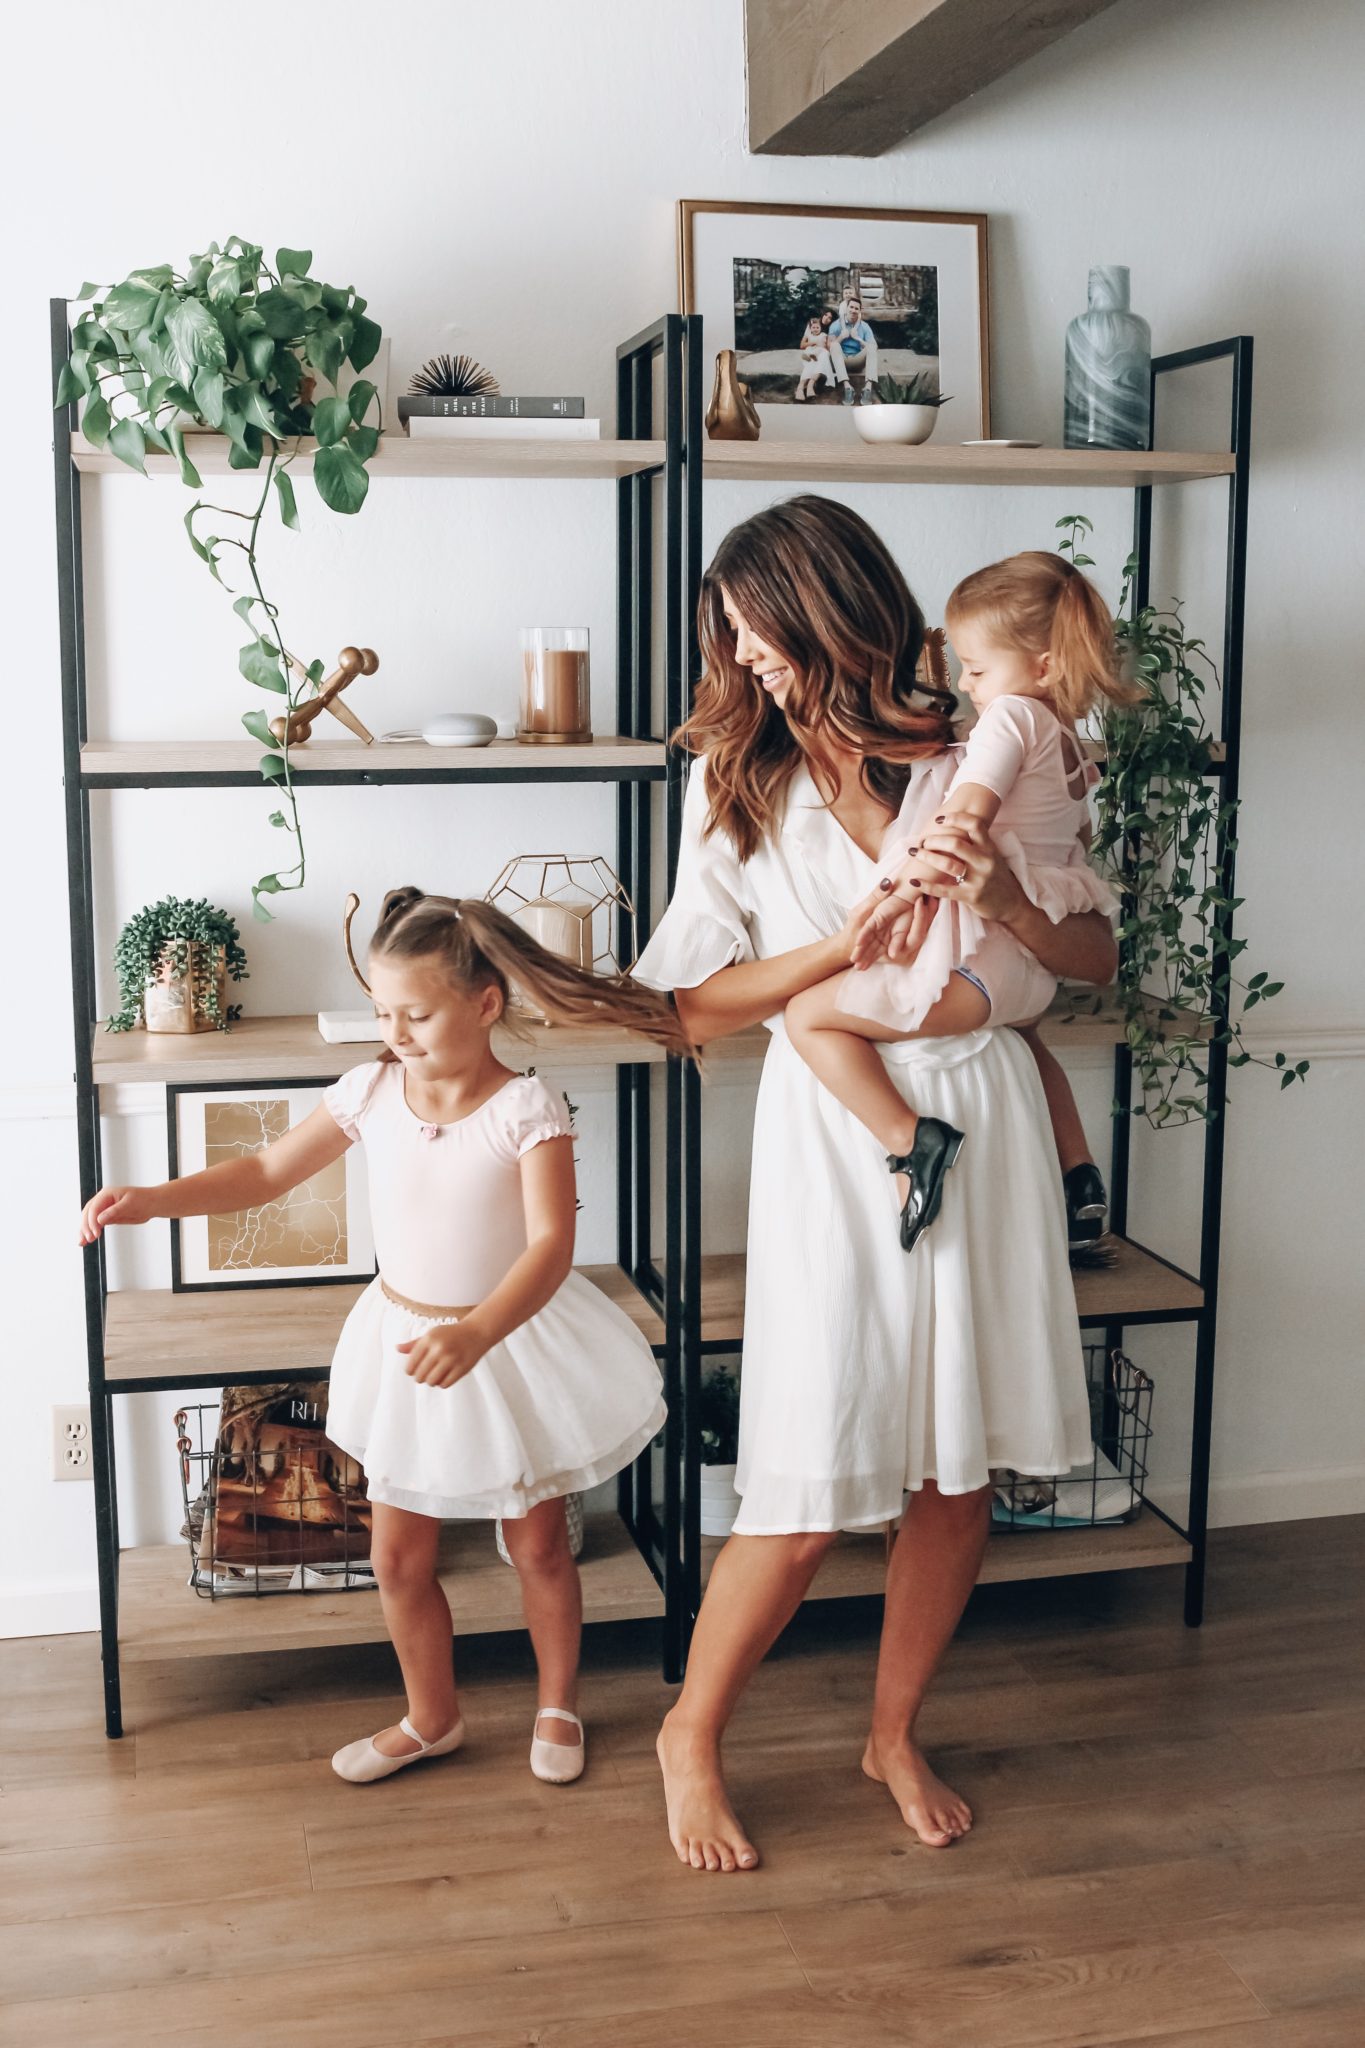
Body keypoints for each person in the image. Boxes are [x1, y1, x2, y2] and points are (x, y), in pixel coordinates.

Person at [633, 496, 1115, 1872]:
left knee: (954, 1475)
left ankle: (892, 1730)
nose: (748, 658)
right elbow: (690, 1009)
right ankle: (691, 1733)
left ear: (830, 603)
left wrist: (1010, 915)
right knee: (800, 1481)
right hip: (836, 1141)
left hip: (986, 1115)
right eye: (729, 637)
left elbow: (1088, 963)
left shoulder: (980, 732)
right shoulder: (739, 781)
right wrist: (831, 961)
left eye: (758, 628)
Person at [79, 890, 689, 1789]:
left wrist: (480, 1330)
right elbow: (264, 1171)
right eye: (381, 1011)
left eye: (415, 1013)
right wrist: (152, 1199)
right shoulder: (369, 1089)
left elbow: (553, 1247)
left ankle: (558, 1701)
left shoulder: (527, 1107)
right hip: (404, 1343)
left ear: (484, 1004)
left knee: (537, 1547)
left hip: (504, 1341)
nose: (394, 1030)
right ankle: (431, 1717)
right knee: (397, 1556)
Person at [785, 549, 1134, 1254]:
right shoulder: (1070, 745)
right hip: (1029, 981)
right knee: (1032, 1044)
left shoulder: (1010, 720)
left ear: (1040, 668)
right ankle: (1079, 1173)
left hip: (987, 963)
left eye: (976, 669)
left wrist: (893, 899)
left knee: (807, 1018)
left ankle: (912, 1144)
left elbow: (959, 826)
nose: (967, 687)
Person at [828, 294, 880, 402]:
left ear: (860, 311)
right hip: (841, 360)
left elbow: (874, 347)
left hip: (857, 360)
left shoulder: (864, 326)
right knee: (834, 344)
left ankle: (867, 388)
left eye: (856, 308)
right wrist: (841, 337)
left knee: (871, 347)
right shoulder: (836, 325)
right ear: (846, 308)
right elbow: (829, 346)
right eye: (851, 307)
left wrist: (858, 339)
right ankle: (847, 387)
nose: (853, 310)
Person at [794, 309, 837, 401]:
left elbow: (828, 348)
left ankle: (809, 385)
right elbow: (802, 345)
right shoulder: (812, 323)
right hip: (810, 352)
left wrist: (823, 346)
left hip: (821, 353)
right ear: (822, 315)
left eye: (830, 318)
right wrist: (814, 342)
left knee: (823, 355)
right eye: (826, 315)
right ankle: (801, 388)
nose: (827, 319)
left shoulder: (830, 330)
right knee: (813, 360)